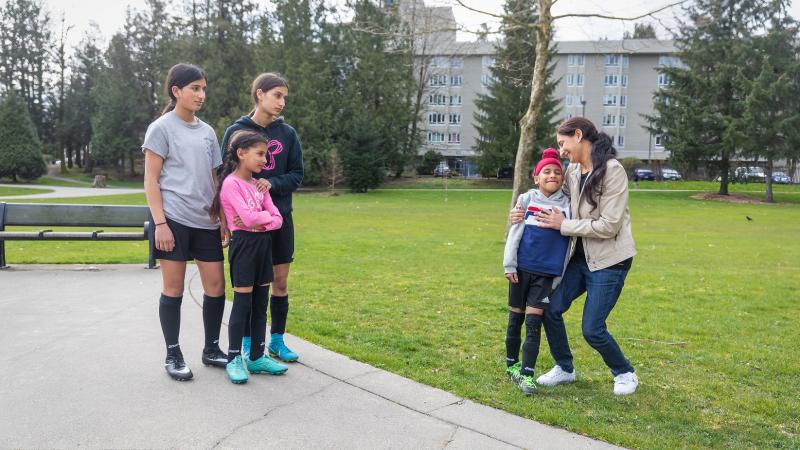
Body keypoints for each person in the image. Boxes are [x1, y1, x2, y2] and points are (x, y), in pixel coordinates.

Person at [511, 117, 639, 395]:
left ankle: (625, 372)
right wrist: (523, 207)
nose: (560, 151)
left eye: (562, 143)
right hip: (578, 259)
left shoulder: (612, 171)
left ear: (578, 135)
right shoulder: (571, 170)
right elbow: (552, 198)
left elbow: (609, 225)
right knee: (550, 309)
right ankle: (565, 368)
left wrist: (564, 225)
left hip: (609, 261)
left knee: (592, 329)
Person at [142, 63, 229, 381]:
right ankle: (173, 353)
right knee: (174, 289)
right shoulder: (161, 128)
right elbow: (151, 180)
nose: (201, 94)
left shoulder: (207, 132)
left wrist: (221, 218)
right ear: (176, 91)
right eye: (195, 88)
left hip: (206, 222)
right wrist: (160, 223)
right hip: (174, 221)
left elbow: (213, 179)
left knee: (216, 287)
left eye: (203, 88)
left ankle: (211, 349)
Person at [221, 73, 303, 362]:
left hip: (280, 218)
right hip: (246, 226)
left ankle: (277, 341)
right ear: (259, 94)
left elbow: (297, 175)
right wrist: (224, 222)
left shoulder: (288, 134)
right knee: (249, 287)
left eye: (284, 97)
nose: (281, 102)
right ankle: (248, 344)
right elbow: (224, 175)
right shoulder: (236, 131)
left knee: (278, 283)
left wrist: (272, 184)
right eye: (277, 95)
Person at [210, 130, 288, 384]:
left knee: (260, 303)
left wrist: (259, 223)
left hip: (264, 245)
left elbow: (278, 219)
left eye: (265, 154)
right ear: (241, 153)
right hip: (244, 247)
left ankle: (256, 356)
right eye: (260, 154)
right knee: (242, 305)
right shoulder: (231, 184)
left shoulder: (260, 185)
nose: (265, 160)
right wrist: (260, 220)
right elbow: (253, 218)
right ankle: (234, 358)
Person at [503, 148, 571, 395]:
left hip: (545, 275)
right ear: (536, 177)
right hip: (521, 270)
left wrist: (558, 276)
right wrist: (509, 264)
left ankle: (527, 375)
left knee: (533, 324)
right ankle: (511, 364)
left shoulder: (568, 204)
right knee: (515, 319)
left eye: (557, 172)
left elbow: (569, 239)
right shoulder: (526, 200)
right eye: (547, 171)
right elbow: (515, 233)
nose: (552, 175)